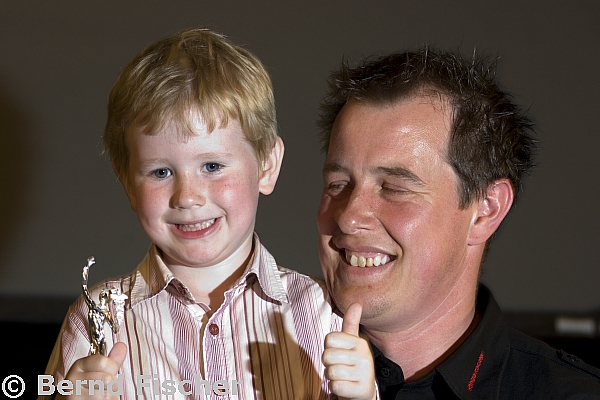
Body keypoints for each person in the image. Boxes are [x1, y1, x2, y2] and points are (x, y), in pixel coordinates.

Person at [43, 28, 375, 400]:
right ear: (127, 183)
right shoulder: (96, 321)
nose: (187, 197)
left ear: (267, 165)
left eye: (213, 166)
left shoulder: (318, 310)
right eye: (161, 172)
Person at [316, 48, 600, 399]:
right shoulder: (254, 370)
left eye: (394, 188)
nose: (349, 216)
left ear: (486, 210)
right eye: (338, 185)